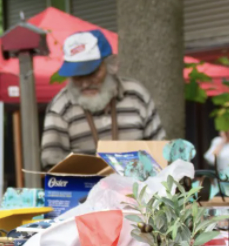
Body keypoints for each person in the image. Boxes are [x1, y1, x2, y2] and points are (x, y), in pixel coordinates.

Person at [41, 30, 165, 168]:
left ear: (111, 65)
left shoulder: (136, 95)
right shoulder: (61, 107)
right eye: (77, 76)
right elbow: (52, 165)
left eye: (92, 73)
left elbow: (159, 150)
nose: (85, 83)